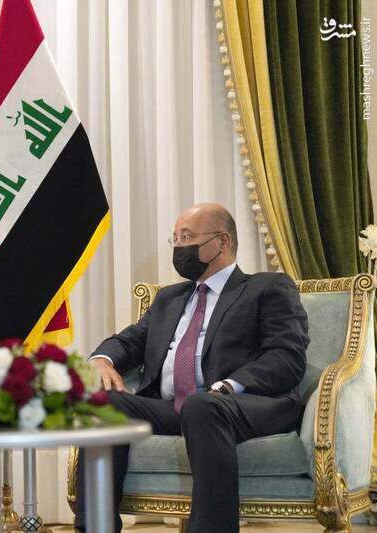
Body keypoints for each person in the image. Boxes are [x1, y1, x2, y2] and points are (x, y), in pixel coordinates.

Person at [74, 203, 309, 533]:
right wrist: (102, 360)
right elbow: (129, 341)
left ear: (222, 241)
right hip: (177, 407)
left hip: (246, 403)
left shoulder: (267, 287)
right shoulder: (169, 298)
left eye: (187, 237)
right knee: (103, 402)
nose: (179, 246)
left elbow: (287, 356)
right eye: (175, 238)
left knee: (202, 405)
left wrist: (230, 385)